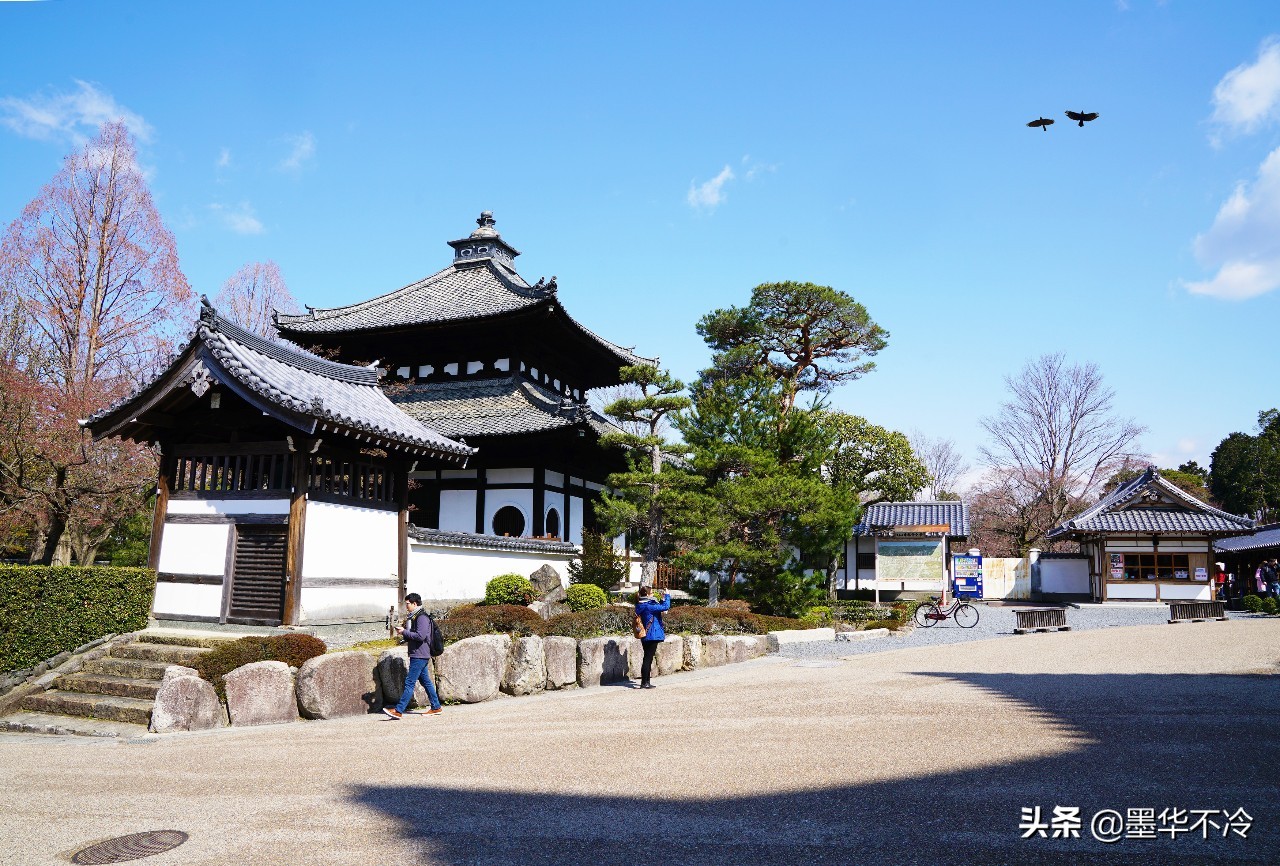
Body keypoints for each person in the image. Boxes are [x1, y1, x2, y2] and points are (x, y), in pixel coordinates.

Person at [383, 593, 442, 719]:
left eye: (408, 604)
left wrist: (404, 632)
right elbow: (415, 635)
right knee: (425, 681)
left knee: (410, 682)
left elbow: (420, 636)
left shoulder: (421, 617)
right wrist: (404, 633)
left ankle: (398, 710)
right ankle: (436, 706)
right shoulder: (415, 616)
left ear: (415, 604)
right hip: (419, 653)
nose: (406, 606)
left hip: (420, 654)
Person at [634, 585, 671, 689]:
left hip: (644, 634)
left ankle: (646, 682)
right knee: (648, 659)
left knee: (647, 657)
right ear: (647, 594)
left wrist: (661, 599)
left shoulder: (640, 605)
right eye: (651, 593)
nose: (653, 594)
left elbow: (660, 608)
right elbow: (665, 607)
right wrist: (667, 596)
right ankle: (644, 683)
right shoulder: (649, 606)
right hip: (652, 635)